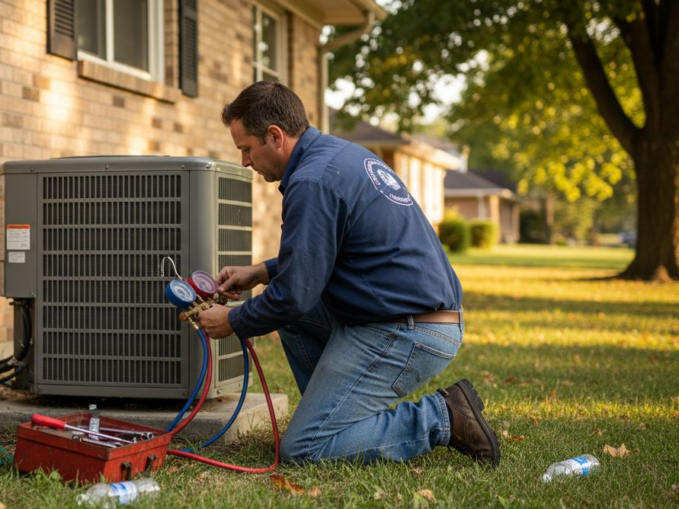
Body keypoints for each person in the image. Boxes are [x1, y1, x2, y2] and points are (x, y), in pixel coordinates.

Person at [196, 81, 500, 467]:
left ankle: (443, 417)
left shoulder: (311, 181)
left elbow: (294, 295)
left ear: (275, 136)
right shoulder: (337, 156)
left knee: (302, 450)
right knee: (295, 320)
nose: (244, 161)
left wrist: (234, 320)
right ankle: (333, 418)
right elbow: (337, 254)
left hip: (409, 330)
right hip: (409, 316)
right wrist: (261, 271)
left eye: (245, 149)